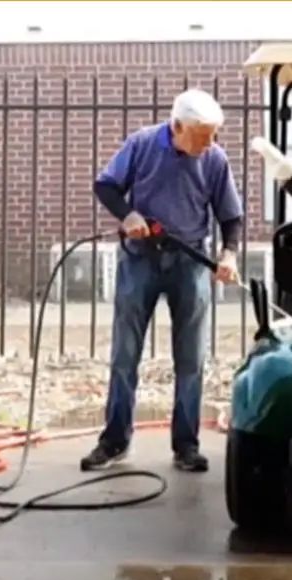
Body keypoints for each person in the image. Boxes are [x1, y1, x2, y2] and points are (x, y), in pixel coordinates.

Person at [80, 89, 244, 473]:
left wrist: (229, 253)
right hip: (140, 260)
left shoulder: (215, 159)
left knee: (191, 357)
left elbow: (230, 216)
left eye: (213, 134)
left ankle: (186, 444)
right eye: (202, 134)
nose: (210, 142)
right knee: (125, 353)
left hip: (189, 261)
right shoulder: (141, 145)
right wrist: (128, 215)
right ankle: (115, 440)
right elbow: (105, 185)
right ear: (176, 127)